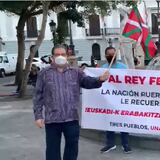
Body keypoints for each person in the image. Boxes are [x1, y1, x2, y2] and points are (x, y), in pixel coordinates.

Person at [33, 44, 110, 160]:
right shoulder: (44, 73)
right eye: (57, 54)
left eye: (63, 54)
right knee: (52, 151)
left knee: (72, 148)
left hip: (71, 119)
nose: (60, 56)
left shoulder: (76, 72)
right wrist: (38, 116)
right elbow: (38, 95)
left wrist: (99, 79)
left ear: (67, 56)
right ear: (52, 57)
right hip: (52, 120)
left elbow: (87, 82)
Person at [100, 46, 132, 154]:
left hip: (121, 99)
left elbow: (129, 82)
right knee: (109, 121)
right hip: (108, 99)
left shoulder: (123, 67)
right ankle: (110, 144)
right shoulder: (103, 68)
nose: (111, 56)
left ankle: (125, 144)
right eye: (109, 54)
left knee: (123, 121)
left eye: (113, 54)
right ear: (105, 56)